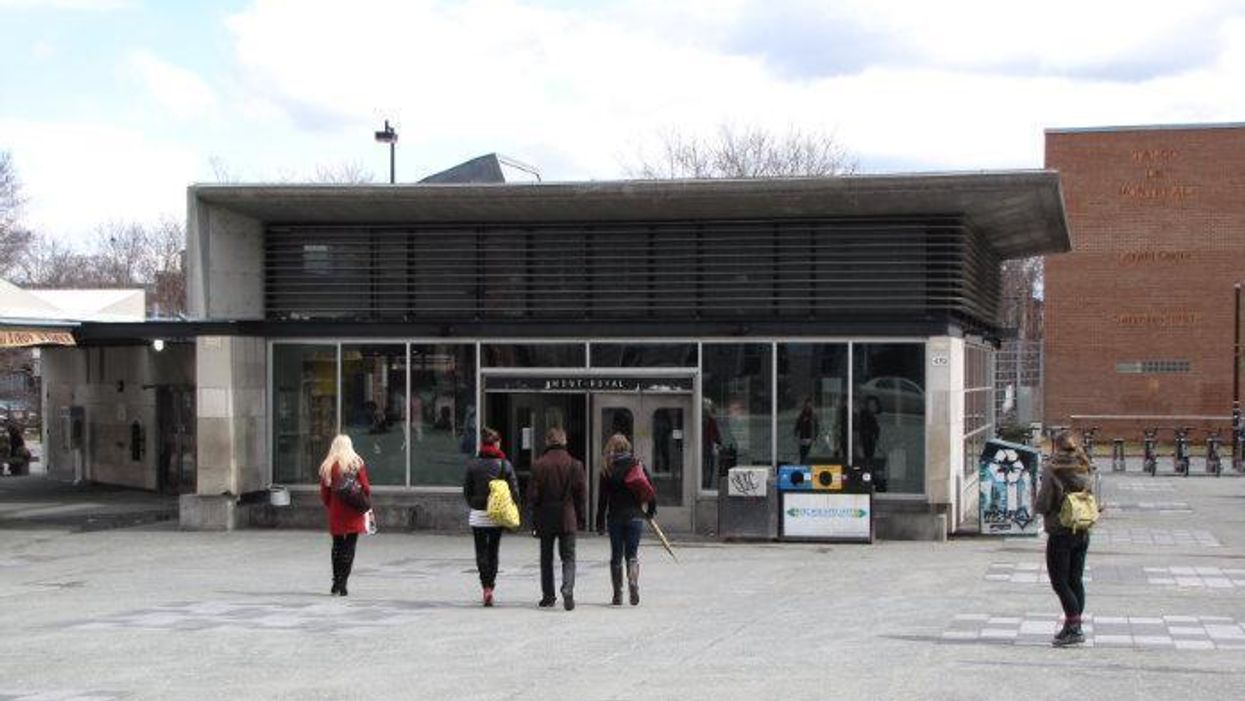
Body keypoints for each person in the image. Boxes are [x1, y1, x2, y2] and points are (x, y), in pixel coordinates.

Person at [1033, 430, 1095, 646]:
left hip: (1060, 531)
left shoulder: (1053, 469)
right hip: (1082, 529)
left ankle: (1074, 628)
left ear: (1056, 446)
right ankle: (1072, 625)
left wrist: (1037, 507)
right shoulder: (1084, 465)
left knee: (1059, 582)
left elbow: (1044, 503)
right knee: (1075, 580)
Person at [527, 427, 586, 610]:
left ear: (547, 441)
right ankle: (567, 588)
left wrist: (533, 519)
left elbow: (532, 496)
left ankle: (548, 596)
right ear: (564, 441)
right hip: (567, 516)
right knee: (568, 557)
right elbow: (581, 495)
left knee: (546, 558)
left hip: (545, 516)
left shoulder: (538, 464)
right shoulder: (575, 464)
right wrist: (581, 517)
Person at [595, 433, 655, 606]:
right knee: (632, 555)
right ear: (627, 446)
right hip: (635, 517)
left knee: (616, 555)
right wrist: (650, 512)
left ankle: (617, 594)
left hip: (615, 517)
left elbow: (602, 500)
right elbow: (649, 489)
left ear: (611, 448)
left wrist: (599, 522)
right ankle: (633, 583)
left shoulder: (608, 468)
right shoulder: (637, 464)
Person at [462, 427, 519, 607]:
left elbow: (467, 490)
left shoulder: (473, 465)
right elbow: (514, 491)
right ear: (496, 443)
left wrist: (474, 504)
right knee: (493, 551)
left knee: (481, 551)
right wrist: (514, 508)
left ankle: (485, 587)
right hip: (497, 514)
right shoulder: (504, 465)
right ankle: (491, 586)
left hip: (478, 515)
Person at [317, 434, 372, 596]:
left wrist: (331, 505)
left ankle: (336, 581)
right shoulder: (356, 463)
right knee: (350, 545)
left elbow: (324, 493)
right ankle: (343, 583)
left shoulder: (328, 465)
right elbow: (366, 488)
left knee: (337, 545)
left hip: (336, 510)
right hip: (354, 510)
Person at [794, 399, 819, 463]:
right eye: (807, 406)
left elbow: (816, 426)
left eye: (809, 406)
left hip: (809, 438)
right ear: (805, 406)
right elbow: (798, 425)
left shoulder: (813, 416)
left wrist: (815, 437)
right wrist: (795, 433)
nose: (808, 407)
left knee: (807, 454)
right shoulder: (801, 415)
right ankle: (802, 463)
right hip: (802, 437)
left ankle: (805, 463)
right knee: (802, 454)